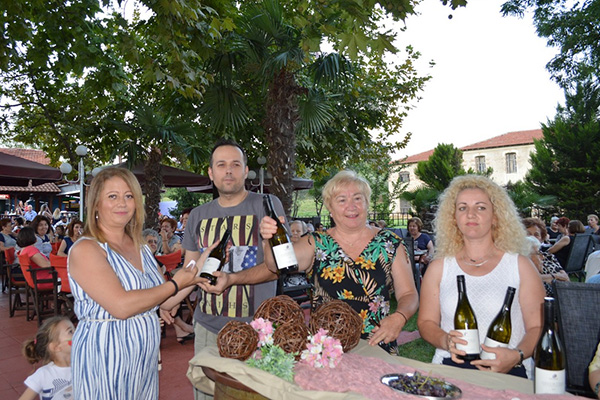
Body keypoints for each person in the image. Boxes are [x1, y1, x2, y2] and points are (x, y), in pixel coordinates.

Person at [68, 167, 207, 399]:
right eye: (113, 196)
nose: (122, 203)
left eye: (129, 195)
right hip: (105, 355)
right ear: (96, 204)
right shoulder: (86, 249)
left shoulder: (140, 246)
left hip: (144, 358)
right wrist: (175, 283)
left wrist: (202, 267)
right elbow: (121, 306)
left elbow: (163, 301)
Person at [259, 170, 418, 353]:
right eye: (342, 200)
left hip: (377, 344)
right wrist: (269, 238)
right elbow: (275, 264)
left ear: (367, 202)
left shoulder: (389, 243)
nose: (351, 206)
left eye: (357, 198)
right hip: (326, 351)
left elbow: (409, 294)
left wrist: (399, 317)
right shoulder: (315, 243)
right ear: (330, 208)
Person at [175, 139, 283, 400]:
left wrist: (232, 279)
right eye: (221, 165)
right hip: (207, 328)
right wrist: (172, 300)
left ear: (246, 171)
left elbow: (277, 268)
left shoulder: (267, 205)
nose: (229, 170)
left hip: (257, 330)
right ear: (211, 173)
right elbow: (190, 269)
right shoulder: (198, 215)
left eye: (235, 164)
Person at [417, 174, 545, 379]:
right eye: (462, 208)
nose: (471, 214)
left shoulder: (520, 266)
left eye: (481, 207)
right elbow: (426, 322)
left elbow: (538, 326)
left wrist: (516, 355)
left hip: (509, 371)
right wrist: (445, 341)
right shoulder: (439, 268)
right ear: (453, 218)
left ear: (495, 217)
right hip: (450, 369)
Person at [143, 228, 195, 344]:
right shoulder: (142, 259)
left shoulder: (152, 260)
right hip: (147, 300)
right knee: (170, 299)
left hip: (157, 296)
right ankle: (182, 328)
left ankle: (180, 331)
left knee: (172, 299)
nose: (153, 244)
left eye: (155, 242)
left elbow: (162, 283)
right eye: (150, 241)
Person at [19, 316, 75, 400]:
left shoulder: (84, 365)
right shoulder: (43, 374)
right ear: (56, 347)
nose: (77, 333)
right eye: (70, 331)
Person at [522, 218, 568, 297]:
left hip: (560, 296)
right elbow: (524, 280)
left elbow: (566, 278)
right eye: (528, 234)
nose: (532, 237)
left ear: (541, 238)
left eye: (536, 235)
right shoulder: (519, 258)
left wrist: (544, 278)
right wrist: (555, 276)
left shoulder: (548, 256)